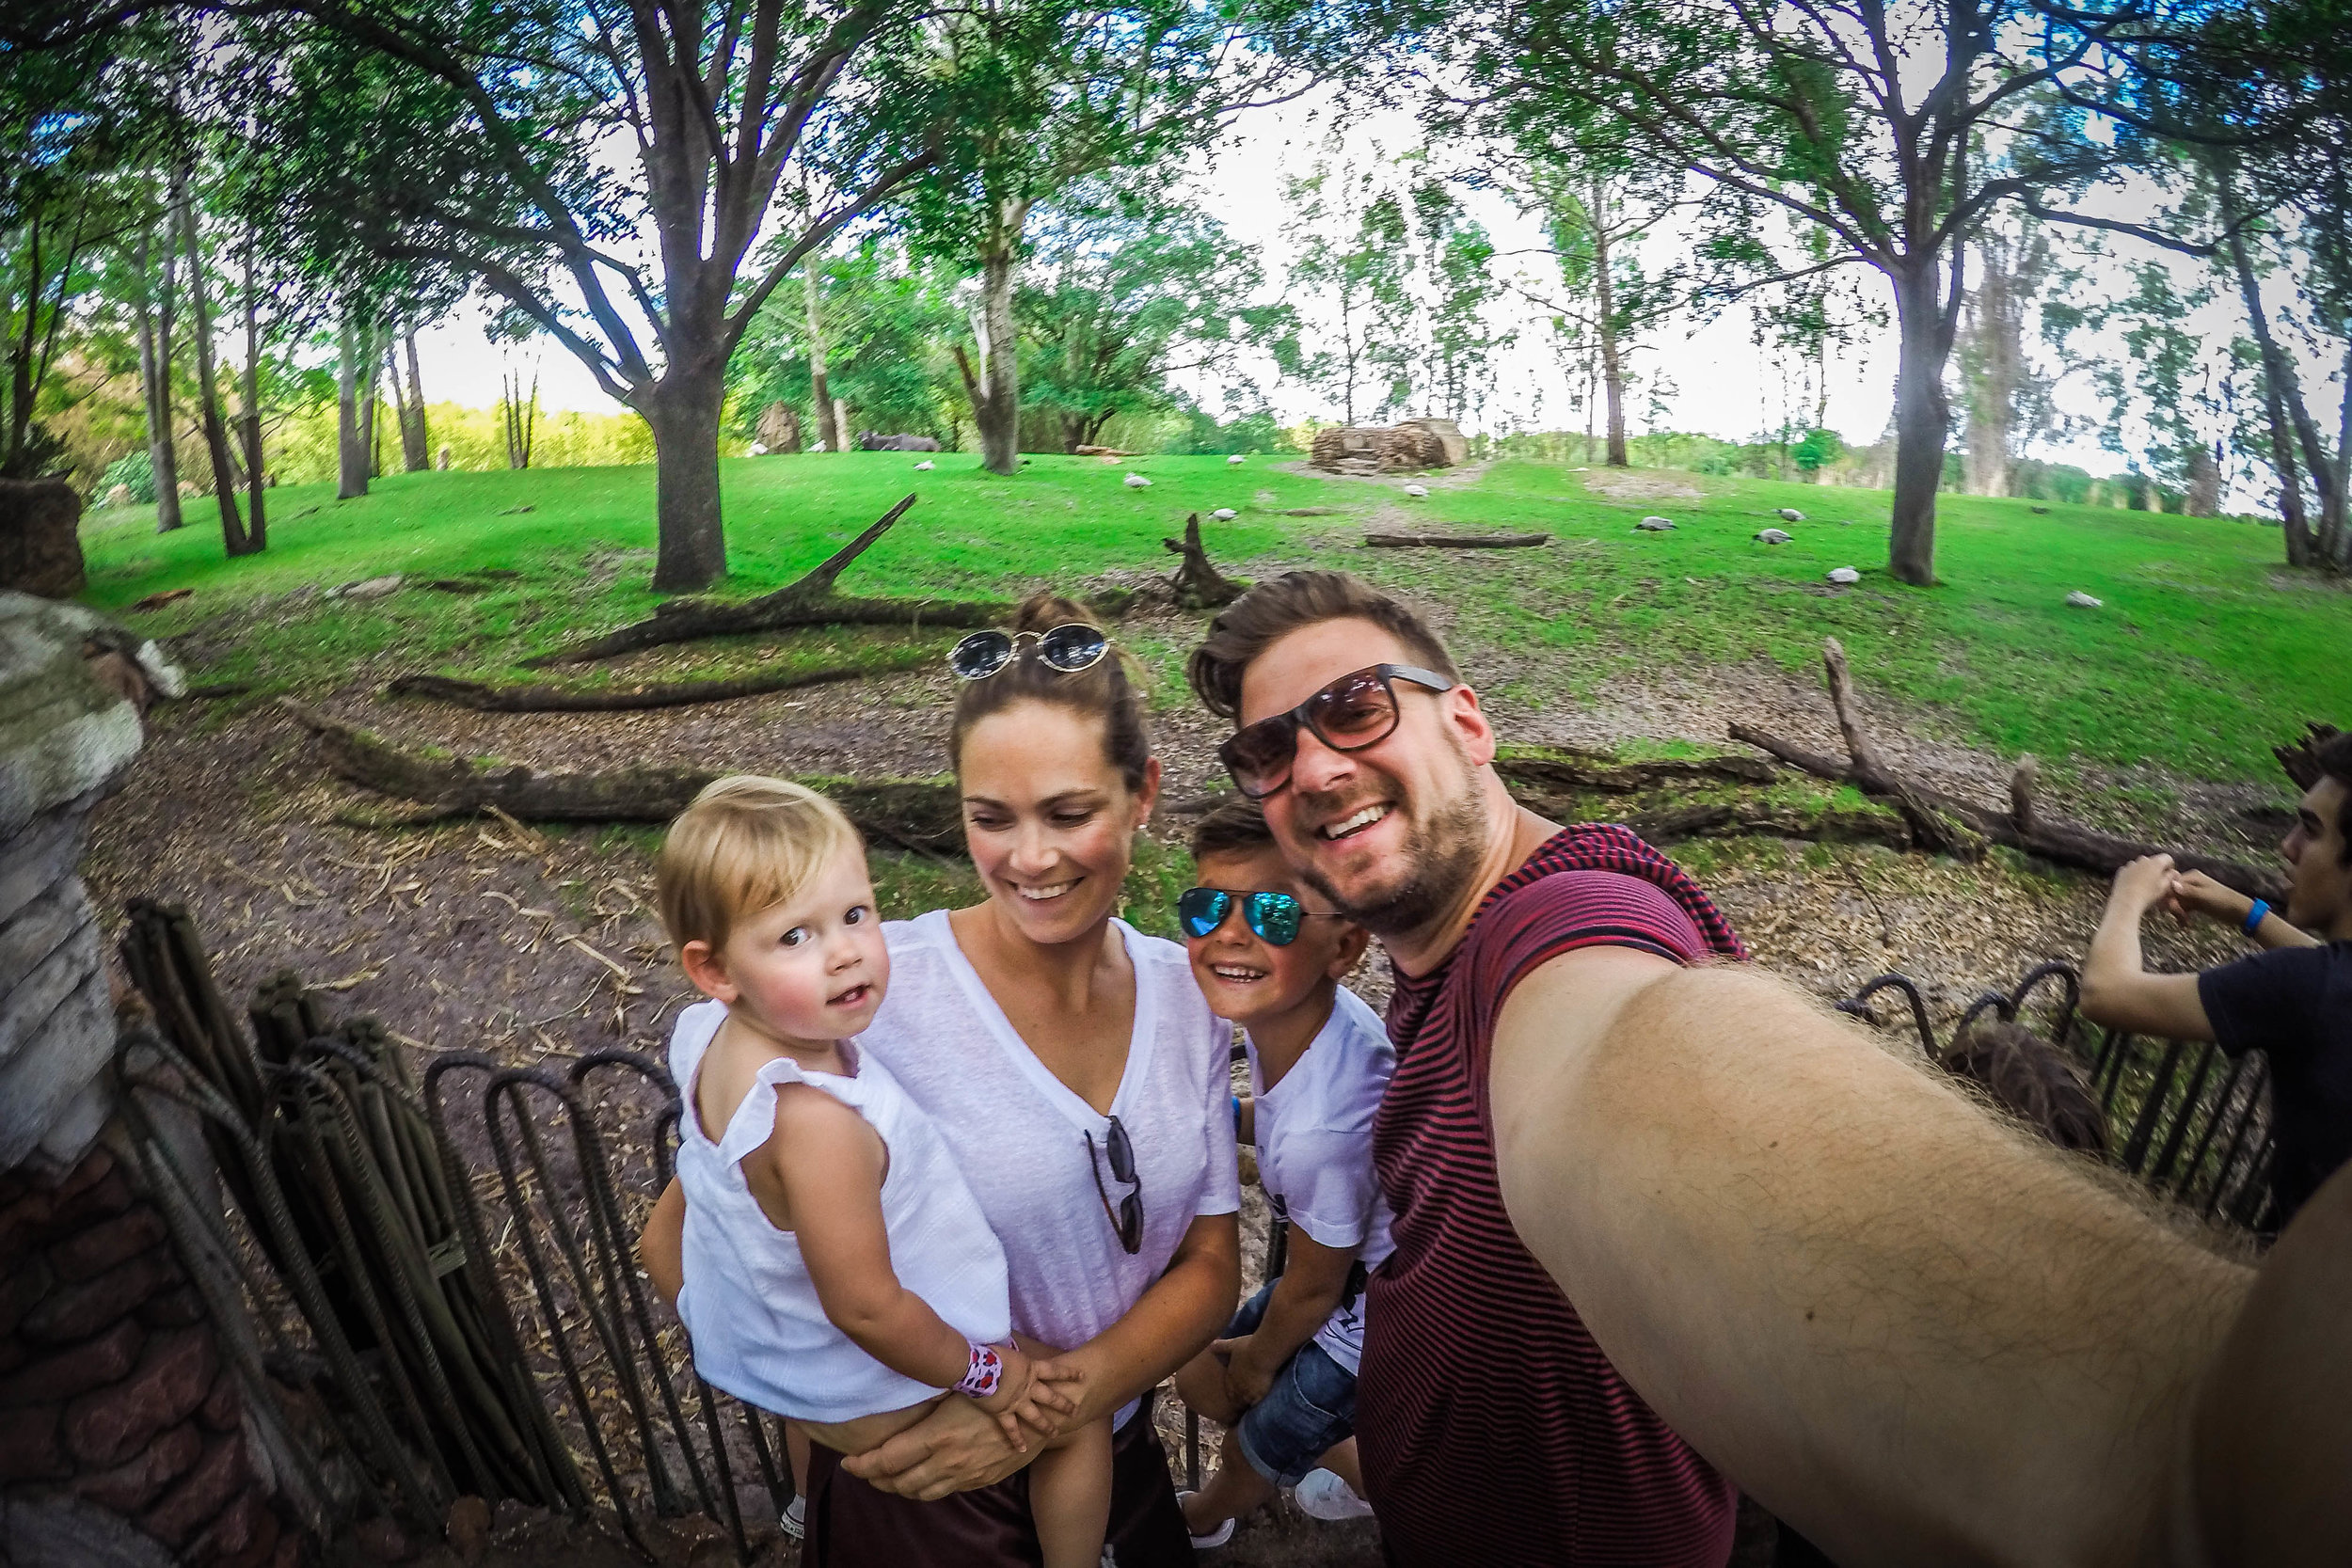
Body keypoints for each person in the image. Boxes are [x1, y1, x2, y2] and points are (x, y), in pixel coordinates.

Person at [1186, 569, 2344, 1567]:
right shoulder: (1431, 946)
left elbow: (1621, 1045)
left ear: (1469, 724)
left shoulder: (1561, 928)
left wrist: (2182, 1467)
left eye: (1354, 708)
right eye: (1267, 750)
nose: (1315, 768)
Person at [644, 595, 1240, 1566]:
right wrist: (823, 1404)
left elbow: (1210, 1266)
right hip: (922, 1492)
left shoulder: (1188, 996)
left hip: (1103, 1457)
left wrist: (1054, 1408)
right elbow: (682, 1233)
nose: (1030, 857)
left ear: (1143, 794)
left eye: (1069, 812)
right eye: (990, 818)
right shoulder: (855, 1001)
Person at [652, 776, 1110, 1568]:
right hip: (870, 1379)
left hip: (791, 1354)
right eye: (794, 936)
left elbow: (689, 1203)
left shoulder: (710, 1037)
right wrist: (989, 1373)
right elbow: (867, 1308)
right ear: (716, 969)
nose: (844, 952)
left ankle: (807, 1506)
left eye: (856, 914)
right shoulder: (816, 1123)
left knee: (810, 1385)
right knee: (1078, 1412)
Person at [1166, 799, 1391, 1546]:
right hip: (1342, 1282)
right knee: (1202, 1372)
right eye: (1206, 908)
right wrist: (1219, 1116)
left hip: (1365, 1319)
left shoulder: (1327, 1125)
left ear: (1344, 945)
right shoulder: (1302, 1024)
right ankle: (1367, 1472)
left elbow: (1314, 1289)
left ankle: (1201, 1523)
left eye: (1273, 912)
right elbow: (1276, 1118)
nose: (1231, 932)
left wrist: (1261, 1365)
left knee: (1252, 1439)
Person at [2080, 729, 2352, 1227]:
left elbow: (2105, 992)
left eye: (2311, 832)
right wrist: (2246, 912)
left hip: (2289, 1274)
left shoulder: (2304, 989)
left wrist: (2128, 894)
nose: (2288, 846)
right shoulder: (2327, 985)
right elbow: (2329, 974)